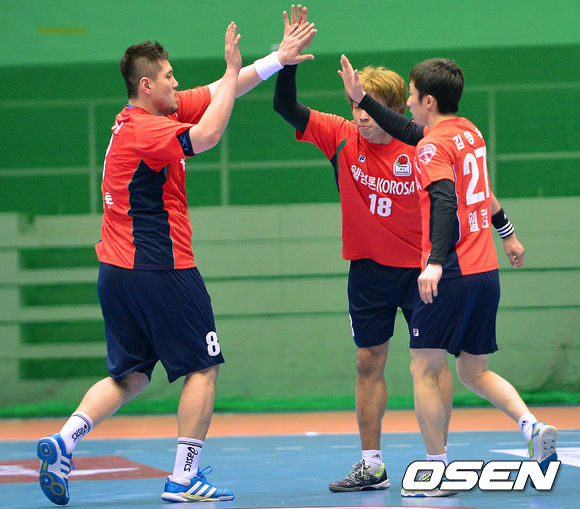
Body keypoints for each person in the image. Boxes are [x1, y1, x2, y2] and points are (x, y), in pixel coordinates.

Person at [36, 17, 316, 506]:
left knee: (131, 375)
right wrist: (231, 70)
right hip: (159, 266)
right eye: (169, 77)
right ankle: (183, 479)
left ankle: (65, 441)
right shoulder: (146, 130)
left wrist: (277, 59)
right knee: (203, 367)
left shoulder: (146, 115)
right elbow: (207, 135)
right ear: (147, 85)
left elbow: (224, 89)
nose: (176, 82)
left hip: (116, 271)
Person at [339, 55, 558, 497]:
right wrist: (508, 235)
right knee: (474, 372)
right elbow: (475, 185)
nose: (408, 105)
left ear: (428, 101)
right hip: (486, 272)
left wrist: (435, 261)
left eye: (412, 96)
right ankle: (530, 425)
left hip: (452, 272)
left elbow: (442, 200)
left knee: (423, 369)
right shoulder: (469, 133)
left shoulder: (431, 148)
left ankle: (437, 471)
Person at [273, 6, 454, 493]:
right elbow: (286, 108)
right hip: (369, 273)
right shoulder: (341, 136)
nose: (360, 115)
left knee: (431, 365)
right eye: (355, 105)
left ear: (393, 109)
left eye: (369, 106)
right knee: (367, 362)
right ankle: (372, 465)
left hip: (421, 272)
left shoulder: (421, 147)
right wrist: (286, 61)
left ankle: (439, 462)